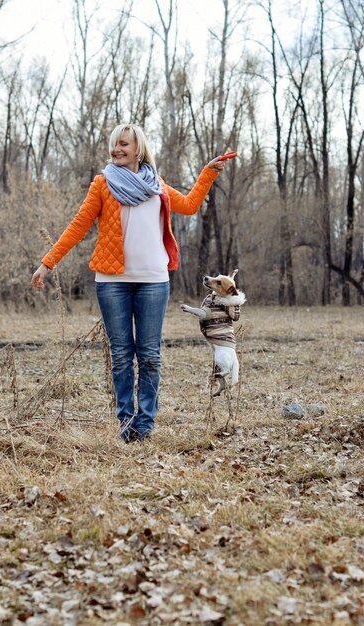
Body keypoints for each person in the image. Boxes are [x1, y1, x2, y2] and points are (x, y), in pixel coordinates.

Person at [32, 123, 228, 442]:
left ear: (138, 149)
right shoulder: (103, 183)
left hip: (153, 280)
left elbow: (190, 205)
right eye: (114, 145)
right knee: (122, 354)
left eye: (124, 144)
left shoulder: (157, 185)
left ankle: (145, 421)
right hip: (112, 282)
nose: (117, 149)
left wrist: (208, 172)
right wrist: (47, 262)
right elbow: (79, 226)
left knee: (149, 354)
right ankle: (125, 422)